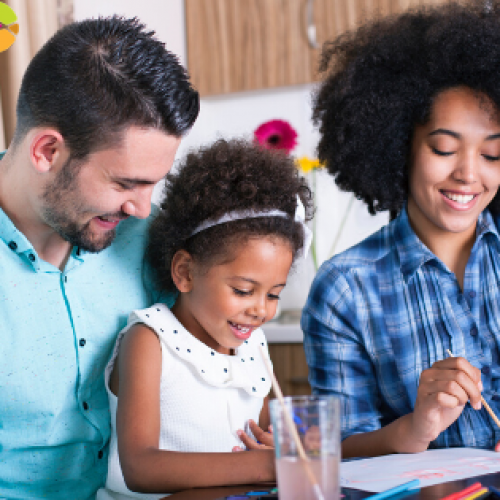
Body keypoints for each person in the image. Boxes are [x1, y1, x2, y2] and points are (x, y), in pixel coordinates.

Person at [0, 16, 199, 500]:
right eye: (125, 183)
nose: (142, 208)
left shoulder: (148, 239)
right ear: (47, 150)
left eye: (155, 182)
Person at [301, 0, 500, 459]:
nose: (469, 174)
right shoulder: (346, 288)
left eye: (492, 155)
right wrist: (417, 426)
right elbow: (337, 448)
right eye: (444, 148)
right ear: (398, 146)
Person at [95, 138, 313, 499]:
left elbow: (267, 436)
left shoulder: (253, 345)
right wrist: (264, 466)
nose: (261, 309)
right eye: (243, 290)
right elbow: (140, 468)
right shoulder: (150, 341)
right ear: (185, 272)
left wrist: (282, 445)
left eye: (274, 293)